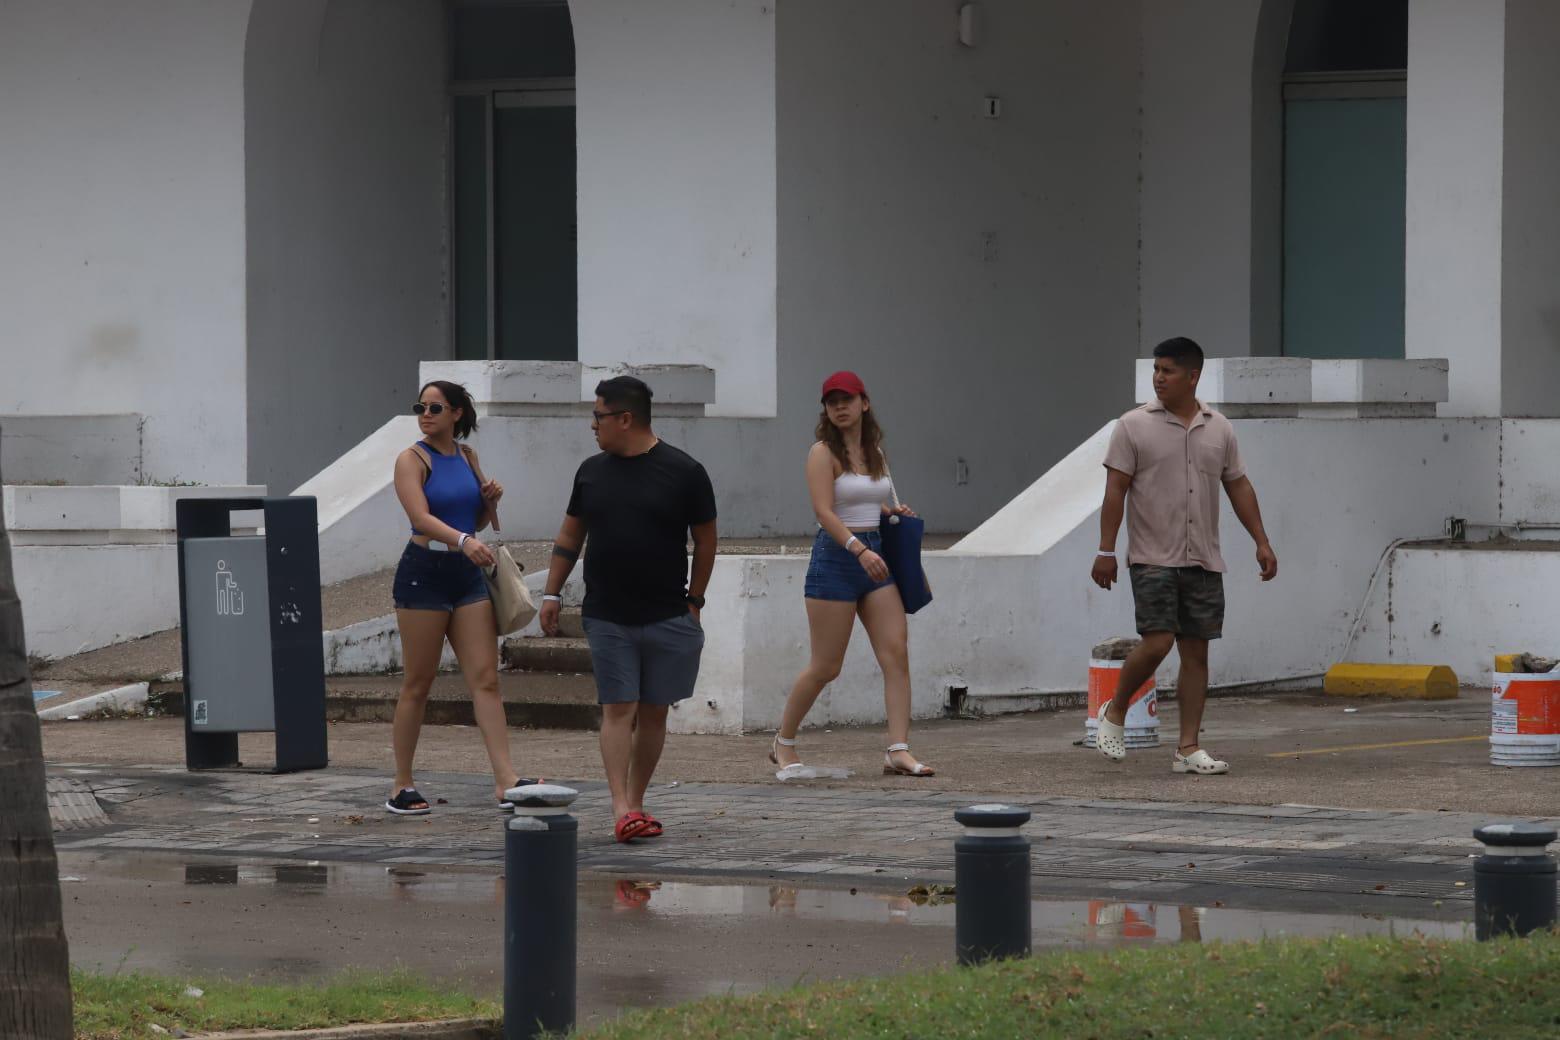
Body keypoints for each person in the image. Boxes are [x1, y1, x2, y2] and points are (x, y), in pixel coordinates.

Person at [538, 376, 717, 843]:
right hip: (607, 613)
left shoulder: (685, 472)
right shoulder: (591, 471)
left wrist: (695, 600)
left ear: (625, 418)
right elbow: (570, 536)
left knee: (654, 713)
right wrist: (552, 593)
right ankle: (621, 808)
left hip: (667, 612)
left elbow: (706, 539)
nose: (592, 425)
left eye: (598, 416)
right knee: (619, 707)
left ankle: (636, 801)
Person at [1091, 337, 1277, 774]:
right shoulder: (1133, 426)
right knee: (1157, 642)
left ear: (1192, 376)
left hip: (1204, 559)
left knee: (1197, 654)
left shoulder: (1220, 428)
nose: (1158, 378)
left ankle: (1188, 748)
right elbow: (1114, 491)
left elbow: (1239, 487)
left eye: (1168, 370)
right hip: (1153, 556)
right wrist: (1105, 550)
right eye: (1155, 369)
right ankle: (1115, 711)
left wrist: (1261, 541)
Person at [769, 370, 934, 779]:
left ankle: (898, 750)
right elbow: (825, 512)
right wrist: (857, 549)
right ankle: (783, 741)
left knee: (896, 653)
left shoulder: (875, 450)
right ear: (825, 409)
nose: (840, 406)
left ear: (865, 402)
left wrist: (892, 514)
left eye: (847, 399)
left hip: (876, 554)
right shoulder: (822, 452)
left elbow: (868, 501)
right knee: (826, 666)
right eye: (832, 401)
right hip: (838, 558)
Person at [384, 380, 532, 816]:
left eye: (435, 407)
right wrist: (465, 539)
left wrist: (489, 504)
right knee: (418, 681)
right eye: (420, 406)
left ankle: (506, 781)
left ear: (456, 415)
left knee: (486, 678)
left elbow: (475, 524)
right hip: (423, 574)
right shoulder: (411, 459)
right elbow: (420, 518)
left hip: (466, 576)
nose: (425, 414)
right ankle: (401, 784)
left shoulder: (468, 458)